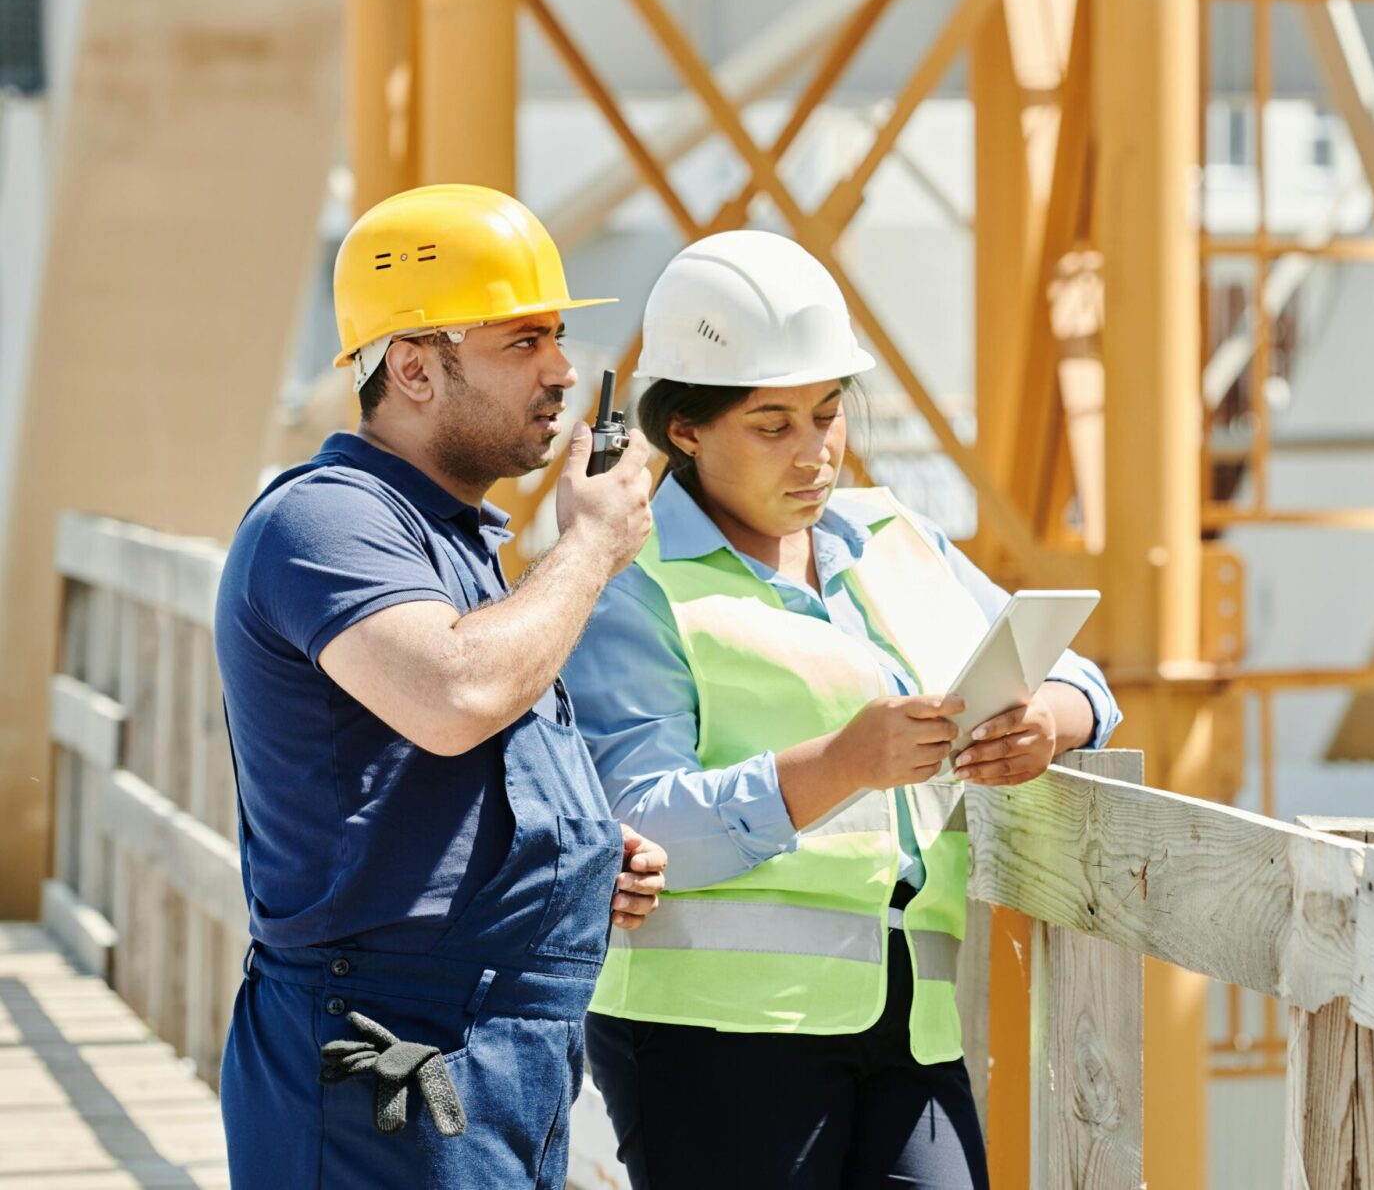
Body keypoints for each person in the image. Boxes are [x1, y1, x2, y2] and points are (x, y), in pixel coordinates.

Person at [565, 230, 1122, 1189]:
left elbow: (1081, 676)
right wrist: (843, 765)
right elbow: (636, 826)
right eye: (773, 425)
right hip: (714, 1040)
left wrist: (1052, 719)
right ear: (685, 431)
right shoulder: (632, 587)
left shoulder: (895, 535)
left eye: (828, 415)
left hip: (911, 1021)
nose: (816, 453)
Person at [214, 183, 667, 1188]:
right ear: (413, 367)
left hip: (490, 1046)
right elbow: (456, 694)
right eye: (521, 342)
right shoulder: (324, 521)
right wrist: (590, 544)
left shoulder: (458, 544)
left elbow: (458, 752)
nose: (561, 370)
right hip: (384, 1043)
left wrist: (579, 851)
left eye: (556, 336)